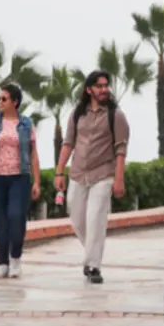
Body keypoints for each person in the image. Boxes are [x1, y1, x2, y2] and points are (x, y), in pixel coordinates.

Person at [53, 70, 129, 284]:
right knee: (77, 218)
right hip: (77, 174)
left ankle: (93, 265)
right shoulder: (77, 114)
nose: (104, 89)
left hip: (103, 174)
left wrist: (119, 179)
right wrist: (59, 171)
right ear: (89, 90)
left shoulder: (116, 115)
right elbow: (68, 143)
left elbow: (121, 149)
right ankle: (92, 251)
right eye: (99, 86)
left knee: (95, 218)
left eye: (106, 85)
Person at [0, 83, 41, 279]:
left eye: (4, 99)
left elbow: (33, 154)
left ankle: (15, 259)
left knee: (16, 216)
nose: (0, 102)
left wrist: (36, 182)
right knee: (0, 223)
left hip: (19, 178)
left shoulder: (26, 124)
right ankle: (2, 263)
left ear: (15, 102)